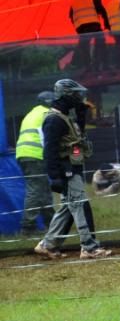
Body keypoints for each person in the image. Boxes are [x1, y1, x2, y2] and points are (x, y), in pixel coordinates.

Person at [33, 79, 112, 259]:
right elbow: (50, 150)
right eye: (76, 94)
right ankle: (89, 248)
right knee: (81, 205)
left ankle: (48, 245)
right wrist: (55, 177)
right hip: (66, 169)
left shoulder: (64, 117)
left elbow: (77, 138)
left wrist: (81, 114)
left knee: (69, 208)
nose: (79, 97)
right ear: (66, 95)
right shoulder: (54, 120)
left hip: (71, 167)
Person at [16, 91, 56, 234]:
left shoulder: (32, 113)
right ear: (49, 102)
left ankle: (51, 223)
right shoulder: (48, 114)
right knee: (35, 190)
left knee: (43, 188)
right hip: (35, 155)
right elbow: (47, 138)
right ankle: (28, 226)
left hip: (24, 154)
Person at [69, 0, 108, 70]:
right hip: (94, 25)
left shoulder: (73, 3)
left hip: (82, 28)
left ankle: (88, 66)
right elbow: (102, 11)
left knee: (84, 47)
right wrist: (106, 23)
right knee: (100, 43)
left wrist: (78, 28)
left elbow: (71, 17)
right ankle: (100, 64)